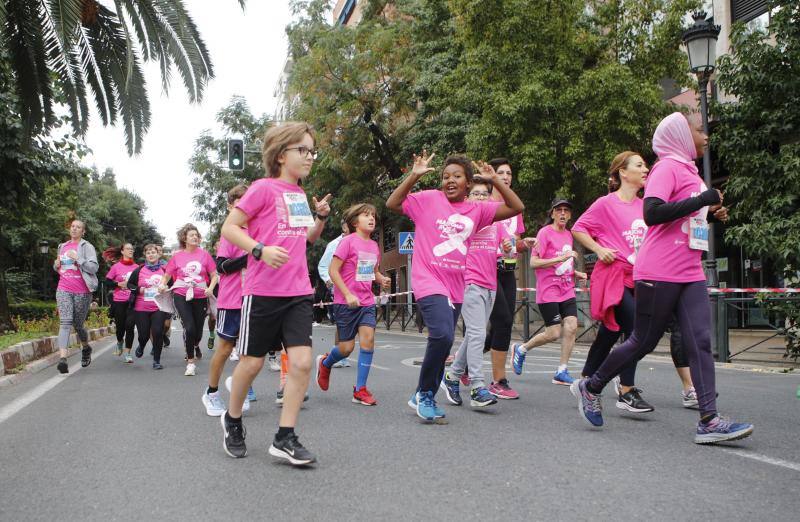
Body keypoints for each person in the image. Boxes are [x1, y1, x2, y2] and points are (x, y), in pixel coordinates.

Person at [571, 112, 753, 444]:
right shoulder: (666, 166)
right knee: (644, 339)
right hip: (659, 269)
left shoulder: (688, 169)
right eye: (698, 129)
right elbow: (652, 213)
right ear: (681, 135)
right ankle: (591, 385)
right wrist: (702, 199)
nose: (705, 135)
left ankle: (709, 420)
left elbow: (682, 222)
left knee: (699, 340)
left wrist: (708, 216)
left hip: (690, 268)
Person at [220, 121, 331, 465]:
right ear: (282, 155)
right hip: (263, 291)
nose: (310, 157)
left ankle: (285, 436)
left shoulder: (298, 195)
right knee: (251, 363)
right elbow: (230, 227)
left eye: (312, 151)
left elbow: (306, 239)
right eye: (304, 150)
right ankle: (233, 419)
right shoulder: (263, 188)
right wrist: (258, 250)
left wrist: (321, 219)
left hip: (298, 291)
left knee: (301, 363)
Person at [386, 153, 524, 421]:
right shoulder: (428, 200)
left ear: (469, 182)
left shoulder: (478, 210)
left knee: (446, 337)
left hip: (456, 285)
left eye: (457, 176)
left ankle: (423, 392)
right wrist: (414, 175)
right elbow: (392, 202)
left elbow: (516, 207)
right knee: (442, 335)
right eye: (446, 176)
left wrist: (496, 181)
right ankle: (425, 393)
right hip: (428, 279)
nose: (450, 180)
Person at [440, 180, 511, 408]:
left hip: (491, 284)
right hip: (469, 282)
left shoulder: (496, 222)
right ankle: (477, 386)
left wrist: (511, 247)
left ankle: (452, 376)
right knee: (478, 333)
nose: (480, 198)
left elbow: (505, 246)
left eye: (484, 194)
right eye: (476, 194)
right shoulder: (465, 222)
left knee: (474, 334)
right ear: (468, 198)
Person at [316, 203, 390, 406]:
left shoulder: (374, 246)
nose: (371, 218)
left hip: (366, 301)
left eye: (373, 215)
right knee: (346, 348)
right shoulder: (347, 242)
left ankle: (360, 389)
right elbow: (333, 271)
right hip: (345, 302)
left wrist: (380, 278)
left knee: (368, 341)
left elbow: (370, 271)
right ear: (355, 221)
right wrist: (347, 294)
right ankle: (326, 362)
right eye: (366, 215)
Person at [512, 199, 587, 385]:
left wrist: (575, 272)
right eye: (559, 210)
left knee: (570, 327)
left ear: (569, 215)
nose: (563, 213)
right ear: (552, 213)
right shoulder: (544, 233)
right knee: (553, 333)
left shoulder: (569, 235)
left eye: (566, 211)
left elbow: (564, 264)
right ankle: (521, 349)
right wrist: (562, 257)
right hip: (549, 291)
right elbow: (534, 262)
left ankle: (562, 371)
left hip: (566, 288)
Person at [201, 185, 260, 416]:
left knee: (249, 354)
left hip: (254, 301)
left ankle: (238, 386)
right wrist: (252, 255)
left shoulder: (258, 230)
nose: (243, 205)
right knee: (225, 349)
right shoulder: (230, 232)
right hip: (232, 301)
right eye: (238, 202)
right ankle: (212, 393)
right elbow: (221, 266)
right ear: (230, 206)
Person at [482, 158, 537, 399]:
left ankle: (459, 367)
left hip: (508, 269)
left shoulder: (513, 208)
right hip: (486, 268)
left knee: (499, 325)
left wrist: (525, 243)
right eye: (501, 172)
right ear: (492, 176)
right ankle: (498, 380)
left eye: (509, 173)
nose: (506, 176)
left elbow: (514, 244)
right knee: (503, 320)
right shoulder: (484, 203)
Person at [158, 223, 218, 376]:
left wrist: (210, 288)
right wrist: (162, 284)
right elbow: (167, 275)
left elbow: (214, 275)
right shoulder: (177, 256)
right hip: (181, 293)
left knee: (197, 331)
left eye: (197, 235)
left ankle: (195, 344)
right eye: (191, 235)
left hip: (200, 294)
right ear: (184, 238)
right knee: (189, 327)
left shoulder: (205, 255)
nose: (195, 237)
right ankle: (190, 363)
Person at [54, 219, 99, 373]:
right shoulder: (62, 246)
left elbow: (93, 268)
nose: (74, 229)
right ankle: (63, 359)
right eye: (72, 226)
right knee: (65, 322)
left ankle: (86, 348)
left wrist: (78, 258)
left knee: (78, 324)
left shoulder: (87, 247)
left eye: (78, 227)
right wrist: (56, 265)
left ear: (83, 231)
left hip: (82, 291)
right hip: (64, 288)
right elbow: (61, 268)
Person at [317, 220, 352, 368]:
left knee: (356, 323)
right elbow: (323, 265)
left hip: (357, 287)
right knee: (342, 323)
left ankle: (342, 352)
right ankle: (338, 354)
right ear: (344, 226)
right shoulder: (334, 245)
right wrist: (328, 279)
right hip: (340, 287)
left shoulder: (361, 240)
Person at [128, 244, 169, 369]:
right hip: (141, 308)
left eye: (153, 252)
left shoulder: (165, 270)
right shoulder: (139, 270)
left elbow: (172, 285)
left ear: (158, 254)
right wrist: (139, 289)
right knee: (143, 335)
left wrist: (166, 288)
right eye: (148, 252)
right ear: (145, 255)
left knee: (157, 332)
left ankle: (156, 361)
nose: (151, 254)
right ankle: (141, 345)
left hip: (159, 307)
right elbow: (130, 284)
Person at [103, 243, 137, 362]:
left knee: (130, 326)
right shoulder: (116, 267)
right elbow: (107, 282)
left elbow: (141, 283)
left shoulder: (137, 267)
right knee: (120, 328)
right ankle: (119, 341)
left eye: (132, 249)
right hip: (119, 301)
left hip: (132, 302)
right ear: (122, 251)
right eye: (128, 249)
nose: (131, 250)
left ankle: (128, 353)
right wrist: (118, 284)